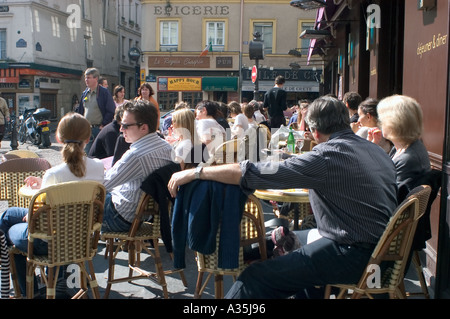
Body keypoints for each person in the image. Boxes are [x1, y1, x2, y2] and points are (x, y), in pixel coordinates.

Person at [168, 96, 397, 299]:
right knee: (284, 239)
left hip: (355, 256)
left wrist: (195, 171)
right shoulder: (374, 149)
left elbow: (251, 173)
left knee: (255, 277)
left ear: (314, 132)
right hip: (384, 253)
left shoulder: (326, 157)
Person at [0, 113, 104, 297]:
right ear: (88, 138)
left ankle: (24, 290)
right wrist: (42, 184)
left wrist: (32, 214)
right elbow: (71, 190)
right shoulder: (97, 167)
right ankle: (50, 283)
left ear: (58, 137)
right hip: (80, 240)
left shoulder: (54, 173)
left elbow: (41, 215)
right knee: (8, 216)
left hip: (50, 243)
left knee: (8, 225)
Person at [102, 99, 174, 233]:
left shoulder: (135, 155)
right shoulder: (166, 147)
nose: (121, 129)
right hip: (143, 214)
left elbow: (103, 185)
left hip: (122, 217)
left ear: (143, 128)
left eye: (125, 125)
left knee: (81, 203)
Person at [374, 95, 431, 194]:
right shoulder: (403, 146)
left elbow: (388, 195)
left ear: (394, 123)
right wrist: (373, 146)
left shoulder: (408, 158)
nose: (379, 123)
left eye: (382, 119)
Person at [75, 67, 116, 154]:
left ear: (96, 78)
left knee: (99, 154)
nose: (86, 80)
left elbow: (111, 110)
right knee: (86, 154)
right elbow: (81, 111)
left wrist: (103, 125)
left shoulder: (104, 92)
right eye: (85, 77)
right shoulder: (85, 93)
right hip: (87, 130)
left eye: (89, 77)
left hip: (99, 129)